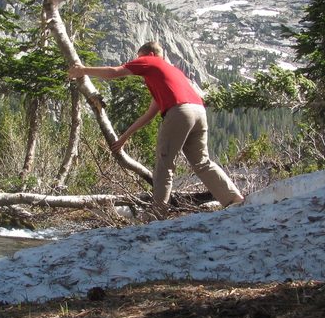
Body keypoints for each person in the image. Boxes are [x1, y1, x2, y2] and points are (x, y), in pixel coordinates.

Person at [68, 41, 244, 218]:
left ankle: (158, 213)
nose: (138, 61)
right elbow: (150, 114)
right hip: (199, 111)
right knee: (202, 162)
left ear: (149, 54)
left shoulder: (150, 61)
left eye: (139, 57)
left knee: (164, 165)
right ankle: (234, 199)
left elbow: (114, 72)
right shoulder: (169, 73)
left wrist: (82, 70)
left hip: (180, 112)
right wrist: (124, 137)